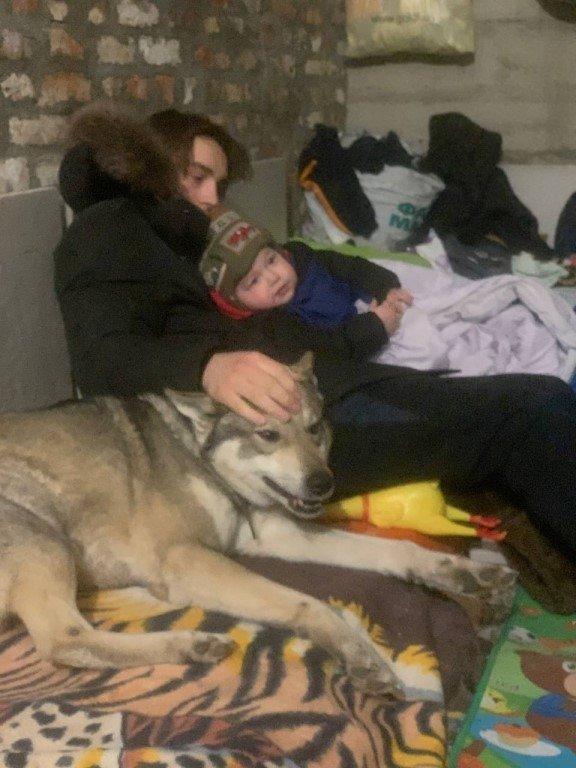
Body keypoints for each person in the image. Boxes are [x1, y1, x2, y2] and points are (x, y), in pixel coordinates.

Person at [54, 105, 576, 558]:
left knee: (526, 401)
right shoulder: (108, 230)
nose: (212, 196)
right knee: (530, 410)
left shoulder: (182, 240)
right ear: (154, 166)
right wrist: (210, 368)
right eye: (195, 177)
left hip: (314, 389)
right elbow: (99, 361)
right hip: (272, 433)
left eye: (218, 182)